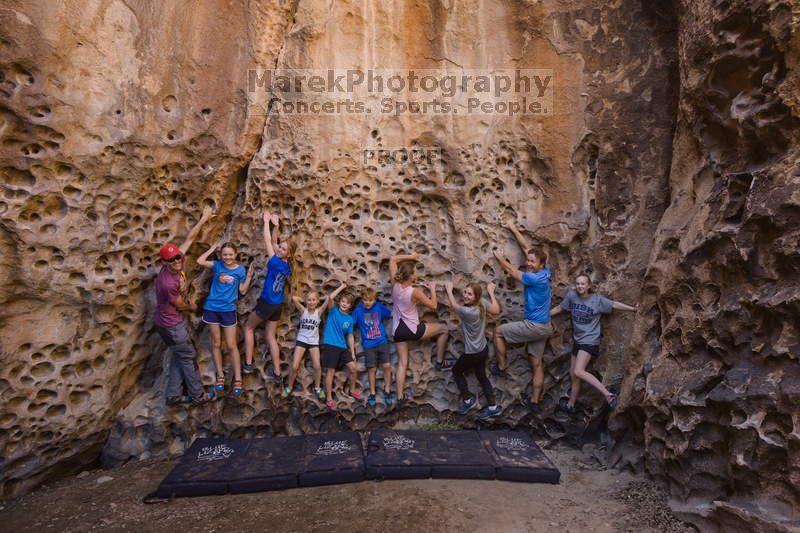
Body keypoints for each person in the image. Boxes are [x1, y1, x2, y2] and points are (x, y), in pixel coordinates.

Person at [154, 205, 216, 406]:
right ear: (164, 262)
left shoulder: (177, 260)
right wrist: (193, 306)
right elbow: (180, 305)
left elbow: (190, 239)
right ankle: (198, 395)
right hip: (171, 325)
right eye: (172, 260)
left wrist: (204, 218)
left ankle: (173, 395)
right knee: (188, 356)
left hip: (167, 323)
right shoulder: (168, 283)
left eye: (178, 257)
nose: (177, 261)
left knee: (179, 355)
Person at [550, 274, 636, 410]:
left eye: (583, 284)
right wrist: (545, 316)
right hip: (577, 340)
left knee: (579, 371)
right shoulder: (572, 296)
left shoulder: (596, 300)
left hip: (590, 341)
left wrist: (633, 309)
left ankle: (608, 395)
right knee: (574, 374)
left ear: (588, 286)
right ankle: (571, 404)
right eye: (578, 283)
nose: (580, 286)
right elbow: (561, 308)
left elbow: (614, 304)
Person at [492, 229, 553, 413]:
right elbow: (527, 248)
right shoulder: (546, 272)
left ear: (541, 264)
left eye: (532, 262)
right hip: (545, 326)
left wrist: (499, 257)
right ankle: (534, 402)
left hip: (534, 326)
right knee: (536, 363)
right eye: (529, 260)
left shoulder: (535, 278)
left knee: (498, 332)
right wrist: (512, 227)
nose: (528, 263)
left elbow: (511, 271)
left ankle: (502, 367)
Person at [389, 252, 451, 406]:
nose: (416, 274)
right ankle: (439, 361)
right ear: (411, 277)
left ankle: (399, 396)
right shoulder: (415, 292)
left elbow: (393, 259)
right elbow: (434, 306)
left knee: (402, 363)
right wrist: (432, 289)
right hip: (412, 330)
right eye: (414, 272)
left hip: (397, 331)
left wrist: (411, 256)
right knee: (444, 328)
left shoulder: (394, 284)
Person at [243, 210, 293, 385]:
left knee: (249, 327)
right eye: (281, 247)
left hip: (267, 302)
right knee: (270, 337)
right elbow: (273, 242)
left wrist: (266, 222)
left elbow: (267, 242)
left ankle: (248, 364)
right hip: (277, 304)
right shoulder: (286, 266)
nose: (280, 248)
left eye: (284, 249)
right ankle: (278, 372)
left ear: (288, 254)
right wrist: (276, 226)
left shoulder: (275, 261)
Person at [197, 241, 253, 396]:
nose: (227, 257)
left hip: (228, 310)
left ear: (235, 254)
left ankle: (238, 378)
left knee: (231, 345)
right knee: (216, 343)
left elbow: (242, 290)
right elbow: (200, 261)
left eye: (230, 254)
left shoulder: (240, 270)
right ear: (221, 255)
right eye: (224, 254)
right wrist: (212, 248)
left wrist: (248, 277)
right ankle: (220, 375)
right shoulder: (217, 265)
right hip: (212, 308)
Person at [443, 281, 502, 419]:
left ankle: (467, 400)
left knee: (456, 371)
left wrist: (449, 289)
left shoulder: (468, 311)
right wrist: (491, 292)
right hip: (482, 349)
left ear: (475, 297)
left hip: (472, 353)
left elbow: (453, 305)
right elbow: (496, 310)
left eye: (469, 294)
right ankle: (493, 407)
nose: (466, 296)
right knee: (481, 376)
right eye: (465, 292)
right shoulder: (481, 302)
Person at [283, 282, 347, 400]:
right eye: (309, 300)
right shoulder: (303, 311)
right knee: (295, 365)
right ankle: (289, 387)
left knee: (317, 366)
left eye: (313, 300)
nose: (311, 302)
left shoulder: (319, 311)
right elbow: (293, 298)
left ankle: (317, 388)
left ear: (317, 302)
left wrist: (342, 287)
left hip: (313, 342)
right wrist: (304, 300)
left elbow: (329, 298)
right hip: (301, 340)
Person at [321, 288, 364, 411]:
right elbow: (330, 298)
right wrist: (341, 286)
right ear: (340, 302)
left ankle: (352, 390)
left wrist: (353, 352)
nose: (344, 304)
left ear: (350, 306)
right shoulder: (333, 311)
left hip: (343, 347)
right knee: (330, 372)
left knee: (353, 368)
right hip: (330, 345)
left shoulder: (349, 319)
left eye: (347, 303)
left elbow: (350, 336)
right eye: (343, 301)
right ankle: (329, 399)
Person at [352, 287, 393, 407]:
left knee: (387, 366)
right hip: (368, 344)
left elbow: (389, 313)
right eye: (365, 300)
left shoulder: (378, 307)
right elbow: (351, 324)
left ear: (375, 300)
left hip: (382, 341)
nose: (367, 302)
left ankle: (387, 390)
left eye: (370, 300)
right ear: (362, 300)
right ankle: (372, 393)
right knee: (372, 369)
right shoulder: (358, 311)